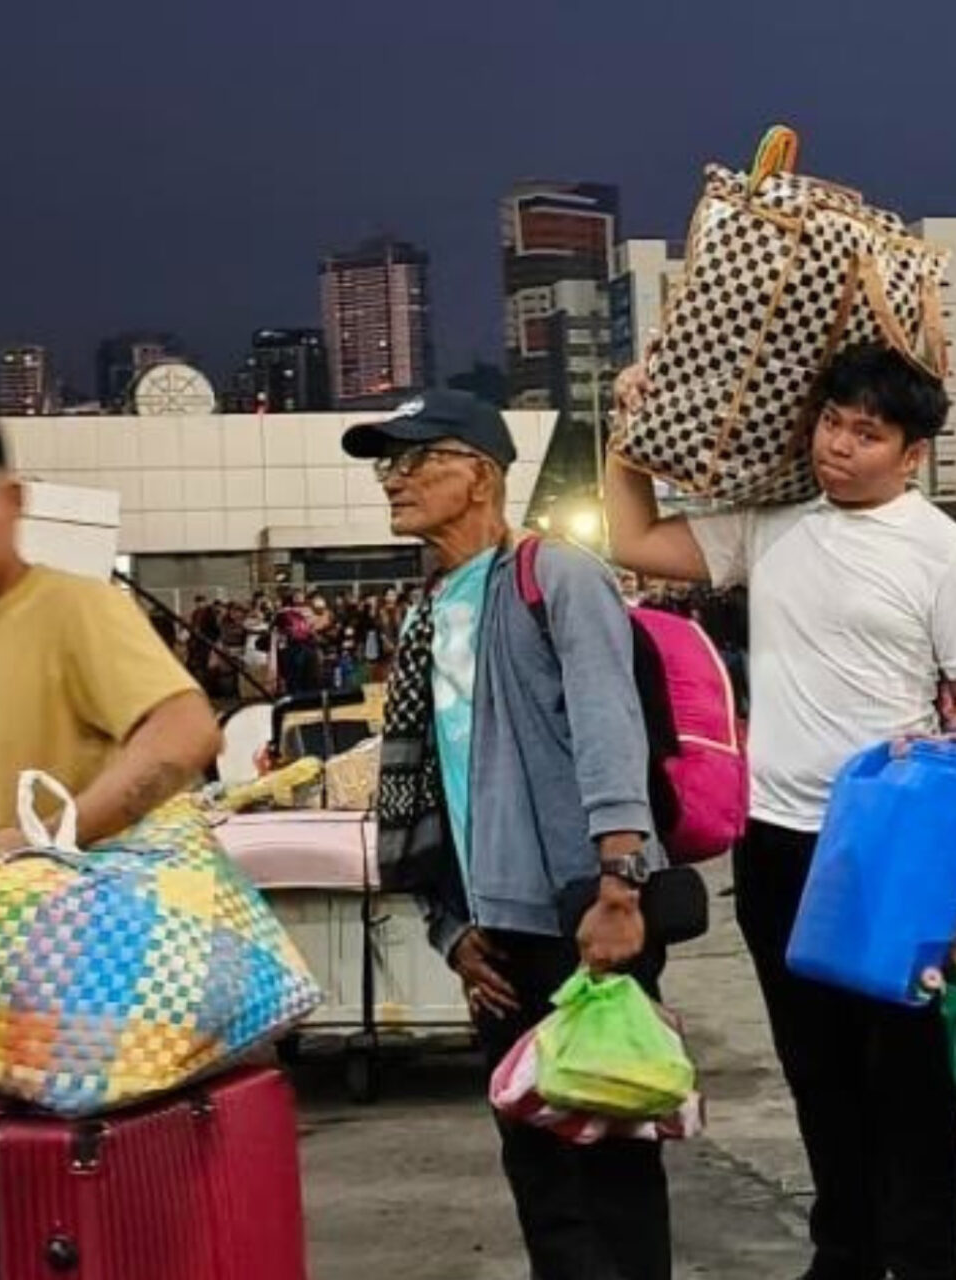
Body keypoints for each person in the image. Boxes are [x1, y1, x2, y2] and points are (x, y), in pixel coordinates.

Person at [606, 341, 956, 1280]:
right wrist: (630, 430)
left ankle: (930, 1262)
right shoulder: (772, 522)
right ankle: (845, 1254)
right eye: (831, 422)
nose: (838, 446)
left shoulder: (945, 552)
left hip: (888, 847)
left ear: (912, 454)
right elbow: (634, 540)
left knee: (906, 1071)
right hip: (779, 842)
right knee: (814, 1066)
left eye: (866, 434)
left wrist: (943, 756)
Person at [342, 390, 670, 1280]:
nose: (395, 481)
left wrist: (620, 883)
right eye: (389, 465)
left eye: (416, 460)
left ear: (480, 474)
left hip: (582, 913)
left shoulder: (555, 576)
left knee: (611, 1155)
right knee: (535, 1163)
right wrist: (450, 927)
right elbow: (431, 785)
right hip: (491, 930)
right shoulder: (428, 610)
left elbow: (609, 727)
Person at [0, 407, 221, 857]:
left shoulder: (73, 608)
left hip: (50, 896)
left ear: (13, 500)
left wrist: (44, 838)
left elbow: (185, 731)